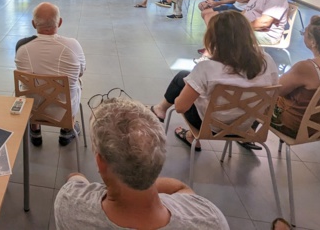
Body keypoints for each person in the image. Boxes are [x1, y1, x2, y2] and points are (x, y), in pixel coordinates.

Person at [54, 98, 229, 230]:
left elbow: (75, 180)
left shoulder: (69, 204)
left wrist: (77, 177)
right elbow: (181, 189)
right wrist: (140, 176)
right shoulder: (210, 220)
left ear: (101, 162)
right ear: (159, 156)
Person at [149, 10, 278, 151]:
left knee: (183, 77)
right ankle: (169, 116)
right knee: (191, 81)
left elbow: (180, 107)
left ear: (213, 37)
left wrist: (194, 94)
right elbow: (272, 95)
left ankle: (162, 111)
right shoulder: (267, 61)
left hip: (209, 127)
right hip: (245, 126)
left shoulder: (206, 68)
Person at [15, 2, 86, 146]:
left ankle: (35, 129)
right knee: (73, 86)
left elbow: (23, 76)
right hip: (63, 111)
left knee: (32, 87)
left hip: (33, 109)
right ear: (59, 22)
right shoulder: (72, 45)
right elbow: (81, 72)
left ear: (33, 24)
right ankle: (67, 130)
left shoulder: (22, 48)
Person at [271, 16, 320, 138]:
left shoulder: (307, 68)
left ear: (313, 42)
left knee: (257, 99)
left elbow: (275, 90)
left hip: (295, 128)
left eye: (304, 33)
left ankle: (246, 133)